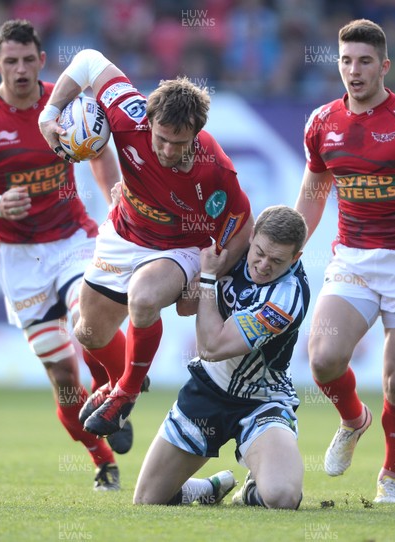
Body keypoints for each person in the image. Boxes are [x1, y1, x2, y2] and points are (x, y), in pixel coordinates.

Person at [0, 19, 131, 491]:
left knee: (89, 324)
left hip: (72, 239)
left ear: (41, 61)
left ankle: (118, 393)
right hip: (16, 257)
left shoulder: (64, 104)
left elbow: (98, 152)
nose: (21, 69)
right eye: (11, 61)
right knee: (64, 381)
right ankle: (101, 457)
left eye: (29, 59)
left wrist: (114, 198)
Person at [37, 48, 254, 437]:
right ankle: (123, 378)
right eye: (163, 139)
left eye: (181, 142)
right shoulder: (127, 111)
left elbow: (241, 226)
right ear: (148, 120)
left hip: (180, 247)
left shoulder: (215, 168)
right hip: (124, 232)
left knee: (142, 298)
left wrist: (209, 277)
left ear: (197, 133)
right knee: (88, 332)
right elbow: (87, 61)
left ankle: (126, 393)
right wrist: (48, 114)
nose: (170, 150)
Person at [294, 19, 395, 503]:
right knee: (322, 360)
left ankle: (392, 476)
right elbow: (314, 194)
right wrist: (291, 245)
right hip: (354, 258)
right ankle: (352, 419)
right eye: (345, 61)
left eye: (364, 61)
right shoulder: (322, 122)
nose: (354, 71)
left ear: (384, 66)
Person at [133, 205, 310, 509]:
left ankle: (254, 490)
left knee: (282, 497)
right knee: (148, 501)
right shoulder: (232, 250)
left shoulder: (287, 296)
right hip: (207, 390)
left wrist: (208, 278)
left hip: (261, 400)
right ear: (251, 236)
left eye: (277, 260)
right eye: (260, 252)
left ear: (295, 258)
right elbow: (185, 306)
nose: (264, 265)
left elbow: (211, 348)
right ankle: (208, 488)